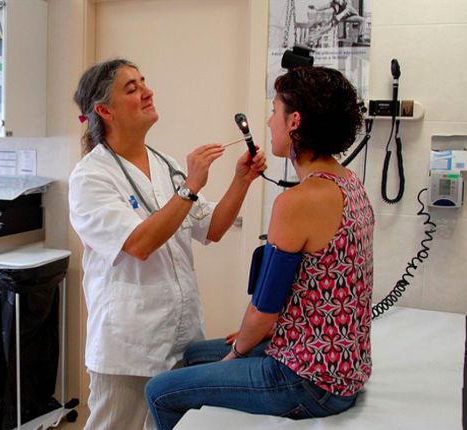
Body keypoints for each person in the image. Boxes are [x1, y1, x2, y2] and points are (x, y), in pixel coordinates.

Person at [146, 66, 374, 429]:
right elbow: (322, 285)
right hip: (341, 364)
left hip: (309, 380)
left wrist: (235, 356)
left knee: (159, 391)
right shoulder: (349, 183)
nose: (268, 123)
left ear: (294, 121)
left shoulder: (298, 201)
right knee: (192, 355)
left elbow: (263, 311)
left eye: (274, 111)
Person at [68, 58, 267, 430]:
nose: (147, 91)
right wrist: (189, 187)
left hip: (181, 336)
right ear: (104, 110)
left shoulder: (164, 164)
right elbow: (140, 244)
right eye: (132, 88)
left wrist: (242, 179)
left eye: (144, 82)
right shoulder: (90, 177)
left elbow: (212, 228)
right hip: (128, 346)